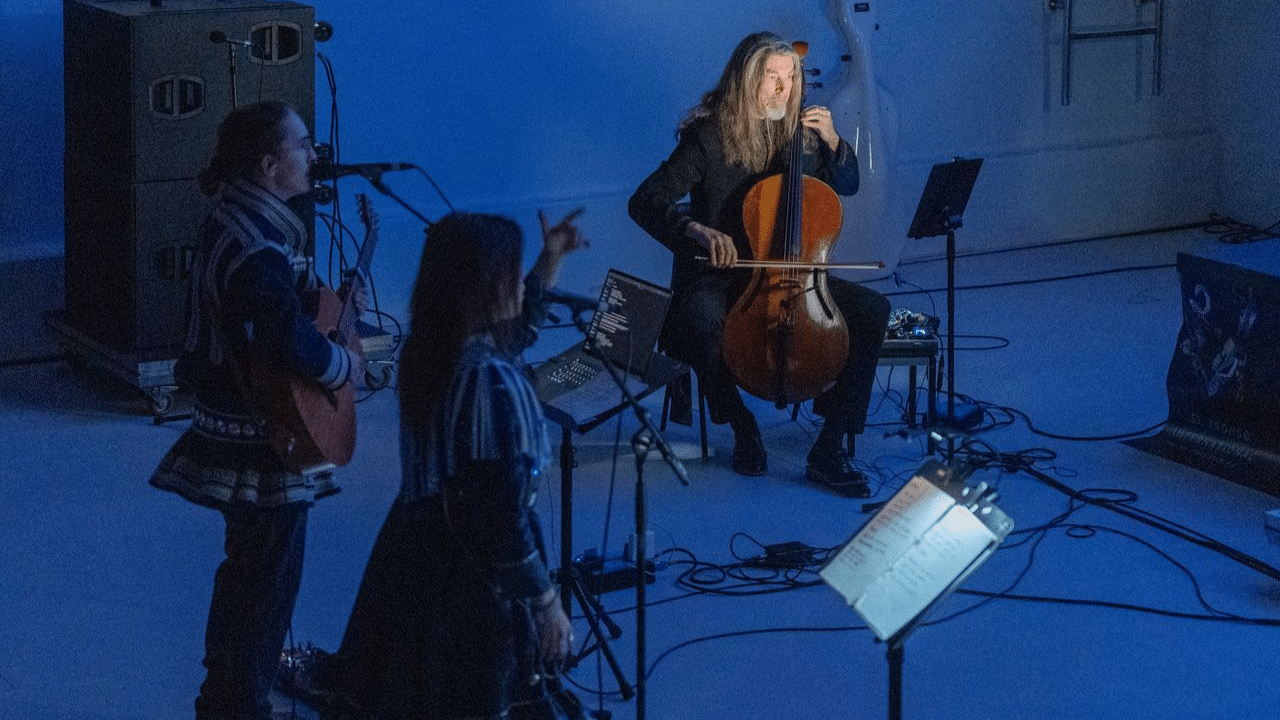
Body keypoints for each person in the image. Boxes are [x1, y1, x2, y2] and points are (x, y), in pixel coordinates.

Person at [296, 210, 587, 720]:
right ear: (481, 290)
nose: (520, 284)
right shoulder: (487, 383)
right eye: (511, 274)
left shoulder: (433, 350)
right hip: (468, 575)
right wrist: (546, 603)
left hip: (415, 549)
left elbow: (512, 335)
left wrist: (549, 260)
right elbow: (499, 516)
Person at [149, 100, 364, 720]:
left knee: (250, 573)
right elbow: (284, 340)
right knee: (266, 586)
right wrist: (342, 366)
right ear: (270, 165)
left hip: (246, 422)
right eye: (302, 147)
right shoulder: (256, 247)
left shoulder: (245, 223)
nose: (313, 156)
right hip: (258, 436)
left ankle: (229, 694)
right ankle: (238, 704)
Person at [628, 31, 891, 497]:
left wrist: (832, 140)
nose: (783, 90)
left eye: (790, 79)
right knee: (700, 318)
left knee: (872, 312)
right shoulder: (709, 137)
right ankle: (742, 425)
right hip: (725, 274)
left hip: (794, 275)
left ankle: (829, 448)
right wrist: (694, 229)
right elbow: (645, 201)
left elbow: (846, 184)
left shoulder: (804, 136)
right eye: (772, 77)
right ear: (746, 79)